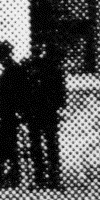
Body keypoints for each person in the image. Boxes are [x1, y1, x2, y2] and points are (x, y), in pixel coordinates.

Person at [24, 45, 66, 190]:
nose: (37, 55)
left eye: (39, 52)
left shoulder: (53, 68)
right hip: (33, 113)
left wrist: (60, 107)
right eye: (34, 52)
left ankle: (54, 178)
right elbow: (23, 91)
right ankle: (39, 178)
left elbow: (60, 89)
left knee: (51, 145)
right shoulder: (27, 67)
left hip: (49, 111)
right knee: (36, 146)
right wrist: (24, 110)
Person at [0, 42, 27, 188]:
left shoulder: (14, 70)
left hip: (12, 113)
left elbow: (21, 92)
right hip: (6, 113)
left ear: (4, 54)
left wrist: (20, 111)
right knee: (3, 143)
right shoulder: (9, 69)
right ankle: (8, 174)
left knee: (7, 144)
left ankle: (11, 175)